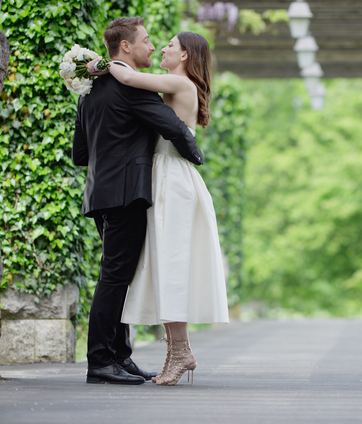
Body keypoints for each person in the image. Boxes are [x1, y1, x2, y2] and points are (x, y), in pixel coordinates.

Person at [72, 17, 203, 385]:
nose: (152, 46)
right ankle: (101, 360)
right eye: (146, 40)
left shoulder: (90, 90)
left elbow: (80, 153)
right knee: (115, 278)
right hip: (128, 193)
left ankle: (120, 356)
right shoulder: (134, 88)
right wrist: (193, 152)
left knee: (119, 276)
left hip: (100, 192)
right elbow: (173, 126)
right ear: (125, 47)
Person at [96, 31, 229, 386]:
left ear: (185, 56)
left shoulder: (177, 84)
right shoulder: (174, 84)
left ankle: (180, 350)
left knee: (171, 263)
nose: (162, 49)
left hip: (172, 180)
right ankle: (175, 351)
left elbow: (125, 75)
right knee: (163, 263)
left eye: (170, 45)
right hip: (163, 177)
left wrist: (90, 65)